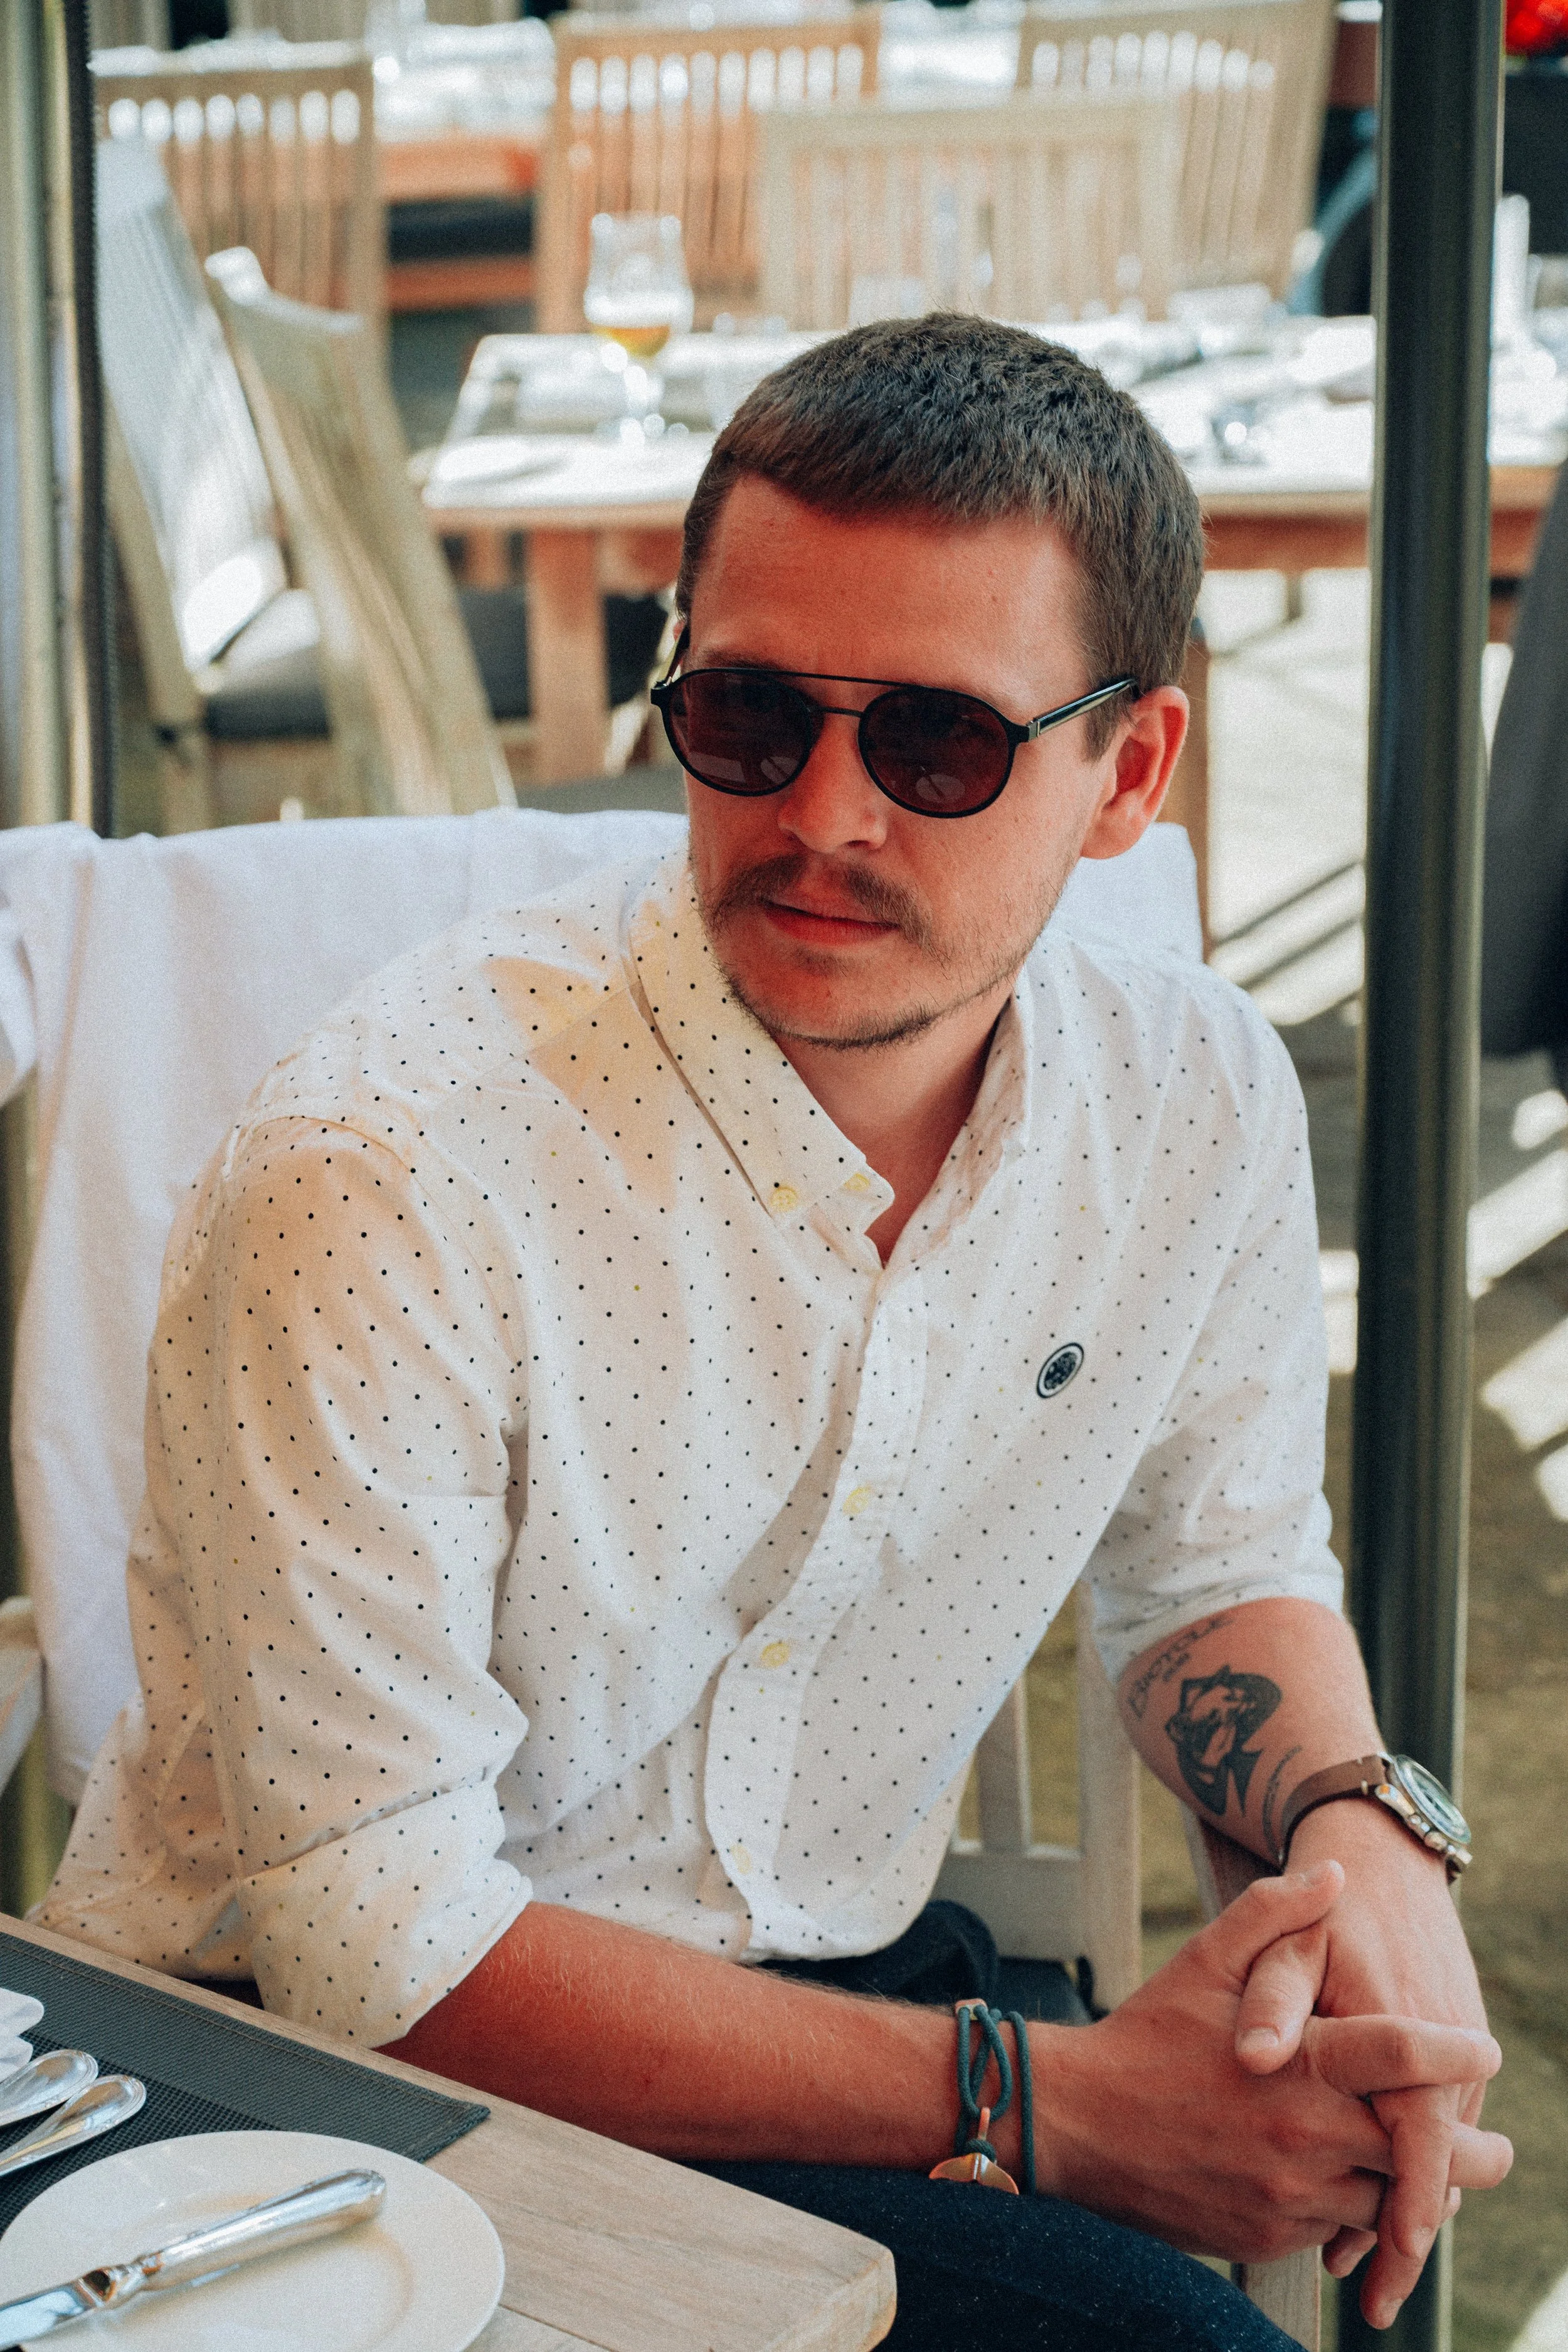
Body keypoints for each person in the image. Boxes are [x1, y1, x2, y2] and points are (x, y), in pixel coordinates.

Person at [41, 319, 1510, 2347]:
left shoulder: (1192, 1103)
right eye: (747, 714)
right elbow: (378, 1940)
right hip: (308, 2098)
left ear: (1129, 771)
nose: (821, 814)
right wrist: (1044, 2103)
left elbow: (1214, 1574)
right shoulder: (384, 1171)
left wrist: (1366, 1831)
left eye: (933, 742)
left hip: (835, 1994)